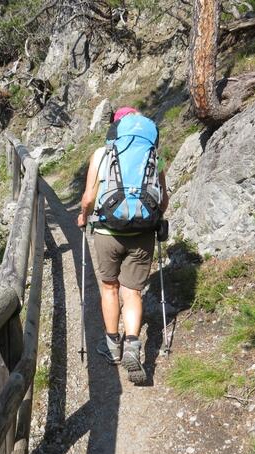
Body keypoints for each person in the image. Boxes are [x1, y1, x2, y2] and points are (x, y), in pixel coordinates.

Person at [77, 106, 169, 383]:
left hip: (107, 232)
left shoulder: (101, 154)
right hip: (142, 233)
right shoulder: (155, 156)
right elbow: (163, 200)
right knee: (133, 292)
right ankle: (132, 344)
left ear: (115, 128)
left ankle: (112, 346)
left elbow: (88, 197)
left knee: (110, 287)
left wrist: (83, 216)